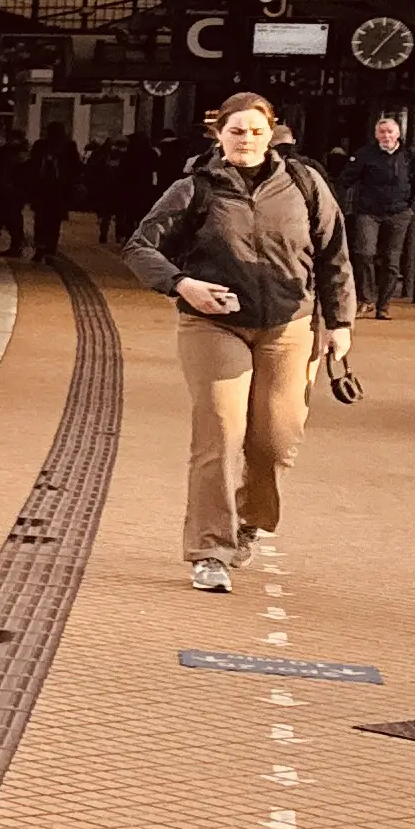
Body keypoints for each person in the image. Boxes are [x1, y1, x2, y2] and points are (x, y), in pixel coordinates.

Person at [128, 90, 356, 594]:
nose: (246, 140)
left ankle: (250, 521)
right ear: (219, 135)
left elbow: (334, 253)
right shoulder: (194, 187)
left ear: (271, 132)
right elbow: (140, 246)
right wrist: (182, 283)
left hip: (288, 325)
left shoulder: (304, 183)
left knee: (274, 440)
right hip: (213, 325)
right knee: (220, 434)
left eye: (256, 131)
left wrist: (339, 323)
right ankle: (210, 549)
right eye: (236, 131)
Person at [340, 114, 415, 321]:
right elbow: (345, 179)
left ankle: (384, 306)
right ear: (376, 135)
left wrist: (412, 207)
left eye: (390, 131)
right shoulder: (365, 154)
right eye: (382, 132)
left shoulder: (410, 156)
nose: (386, 136)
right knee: (364, 254)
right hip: (369, 213)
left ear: (398, 134)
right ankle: (367, 300)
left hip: (399, 214)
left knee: (391, 261)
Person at [22, 129, 83, 261]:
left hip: (58, 189)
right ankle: (42, 245)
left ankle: (48, 246)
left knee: (51, 220)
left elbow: (74, 168)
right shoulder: (41, 147)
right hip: (43, 189)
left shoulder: (68, 148)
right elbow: (33, 166)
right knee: (43, 219)